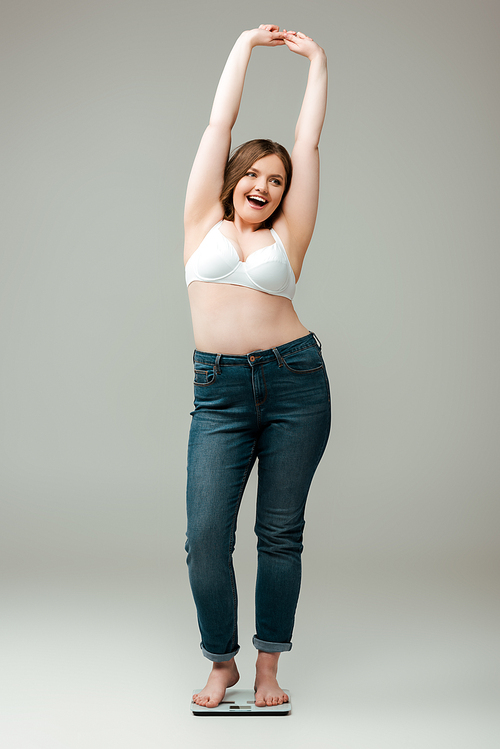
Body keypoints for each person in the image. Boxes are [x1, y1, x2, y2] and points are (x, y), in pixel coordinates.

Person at [184, 24, 330, 709]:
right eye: (253, 173)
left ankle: (269, 666)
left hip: (296, 382)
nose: (264, 185)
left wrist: (317, 64)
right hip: (219, 391)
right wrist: (244, 44)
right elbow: (221, 121)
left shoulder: (287, 235)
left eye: (276, 181)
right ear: (234, 176)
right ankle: (223, 662)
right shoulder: (201, 222)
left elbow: (308, 144)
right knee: (206, 537)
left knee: (279, 533)